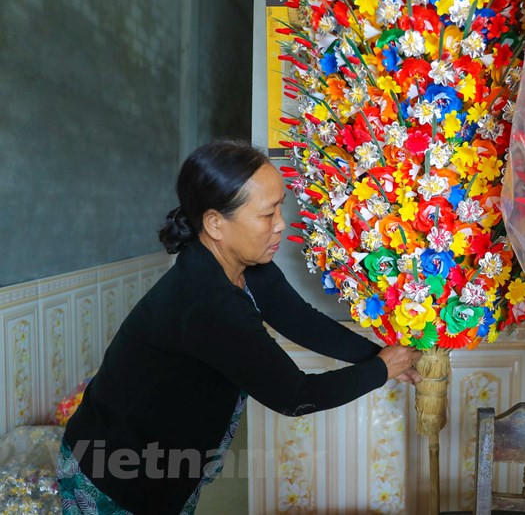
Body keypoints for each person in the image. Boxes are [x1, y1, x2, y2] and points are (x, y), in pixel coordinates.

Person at [57, 140, 422, 514]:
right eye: (267, 214)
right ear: (216, 223)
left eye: (281, 206)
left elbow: (301, 320)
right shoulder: (207, 302)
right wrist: (382, 369)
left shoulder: (243, 266)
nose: (281, 224)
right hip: (114, 472)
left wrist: (379, 355)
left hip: (162, 461)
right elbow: (294, 395)